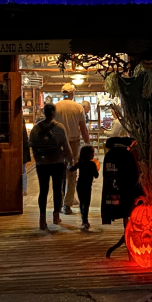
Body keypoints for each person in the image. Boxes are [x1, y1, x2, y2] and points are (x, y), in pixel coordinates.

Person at [29, 103, 73, 230]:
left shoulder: (36, 128)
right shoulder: (59, 128)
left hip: (41, 164)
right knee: (57, 189)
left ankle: (42, 219)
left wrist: (38, 158)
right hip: (57, 162)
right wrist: (71, 160)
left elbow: (32, 145)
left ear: (43, 113)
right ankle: (56, 215)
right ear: (54, 113)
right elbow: (66, 146)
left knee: (43, 191)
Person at [55, 83, 91, 217]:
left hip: (58, 144)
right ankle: (67, 205)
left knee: (58, 174)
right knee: (72, 174)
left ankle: (57, 205)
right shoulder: (78, 107)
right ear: (72, 94)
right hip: (73, 143)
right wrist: (88, 144)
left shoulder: (55, 107)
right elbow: (83, 128)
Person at [74, 145, 100, 231]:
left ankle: (83, 220)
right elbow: (96, 175)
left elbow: (71, 168)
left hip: (80, 185)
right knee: (86, 203)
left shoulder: (80, 163)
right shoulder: (92, 164)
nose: (93, 154)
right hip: (87, 186)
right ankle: (85, 220)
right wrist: (96, 167)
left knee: (82, 202)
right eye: (92, 153)